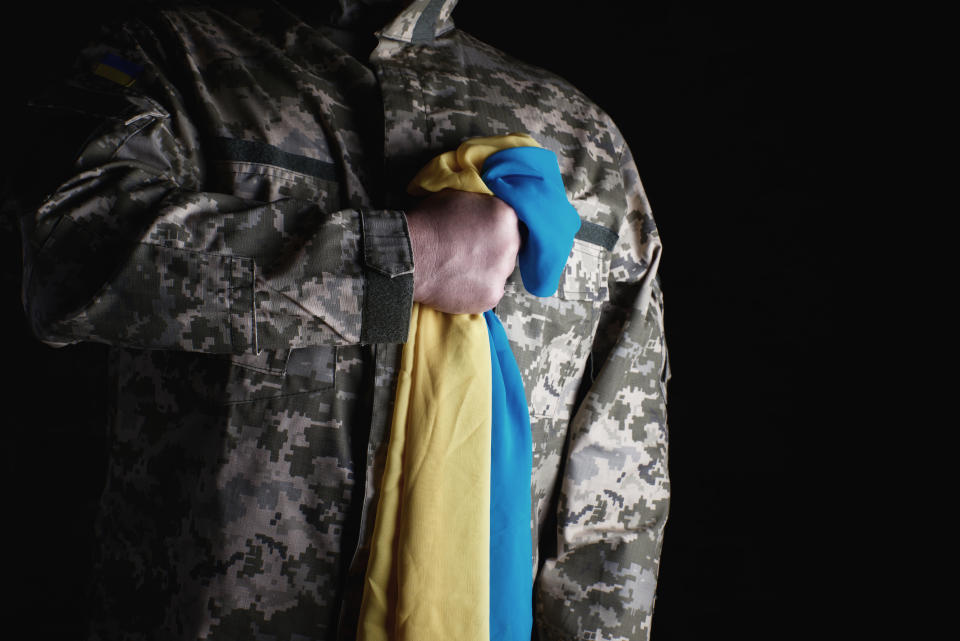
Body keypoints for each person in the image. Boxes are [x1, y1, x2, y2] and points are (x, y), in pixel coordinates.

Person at [19, 1, 670, 639]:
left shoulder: (586, 143)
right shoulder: (167, 59)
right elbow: (69, 254)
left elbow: (610, 511)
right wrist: (404, 260)